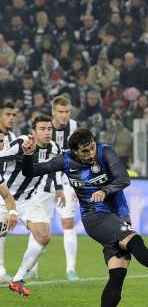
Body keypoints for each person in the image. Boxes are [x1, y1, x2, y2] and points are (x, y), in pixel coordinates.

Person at [21, 128, 148, 305]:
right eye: (85, 151)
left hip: (117, 215)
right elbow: (31, 171)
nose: (91, 153)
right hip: (94, 216)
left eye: (92, 147)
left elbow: (124, 179)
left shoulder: (104, 152)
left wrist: (104, 191)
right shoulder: (65, 160)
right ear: (75, 151)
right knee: (135, 241)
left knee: (118, 274)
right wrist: (28, 155)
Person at [0, 115, 64, 296]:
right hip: (4, 198)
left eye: (49, 129)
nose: (46, 132)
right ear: (33, 132)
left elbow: (56, 168)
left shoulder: (54, 149)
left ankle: (18, 279)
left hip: (28, 200)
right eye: (42, 129)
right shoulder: (22, 142)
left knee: (44, 236)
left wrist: (59, 187)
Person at [40, 96, 79, 281]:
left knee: (68, 223)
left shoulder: (74, 127)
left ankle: (71, 269)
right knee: (40, 225)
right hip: (45, 181)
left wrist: (78, 185)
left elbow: (80, 156)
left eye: (67, 111)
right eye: (61, 112)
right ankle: (33, 269)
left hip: (66, 180)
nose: (64, 115)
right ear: (53, 112)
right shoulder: (44, 127)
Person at [0, 102, 17, 281]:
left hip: (3, 187)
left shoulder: (12, 137)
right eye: (7, 114)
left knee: (2, 229)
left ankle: (1, 268)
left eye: (13, 115)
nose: (11, 118)